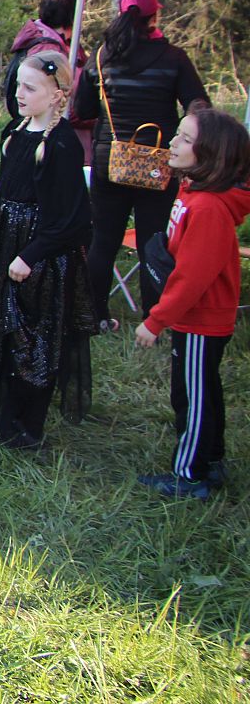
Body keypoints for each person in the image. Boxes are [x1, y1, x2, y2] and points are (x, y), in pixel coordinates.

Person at [0, 52, 98, 450]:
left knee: (32, 337)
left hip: (41, 255)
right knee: (4, 330)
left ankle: (27, 426)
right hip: (9, 244)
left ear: (57, 95)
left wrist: (30, 256)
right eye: (18, 84)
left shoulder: (62, 144)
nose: (18, 93)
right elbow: (3, 201)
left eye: (29, 88)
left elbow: (70, 219)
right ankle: (5, 415)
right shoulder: (15, 134)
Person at [72, 0, 209, 332]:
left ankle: (94, 316)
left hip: (110, 160)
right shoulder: (174, 58)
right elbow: (199, 105)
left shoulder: (102, 58)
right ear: (154, 17)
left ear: (121, 14)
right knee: (154, 241)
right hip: (158, 162)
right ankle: (154, 317)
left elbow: (82, 110)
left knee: (103, 239)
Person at [132, 107, 250, 501]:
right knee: (202, 388)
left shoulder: (208, 208)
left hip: (201, 319)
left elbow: (192, 277)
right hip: (194, 318)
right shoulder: (192, 191)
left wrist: (156, 319)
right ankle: (211, 459)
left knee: (192, 396)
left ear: (211, 155)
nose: (173, 142)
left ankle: (190, 475)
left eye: (185, 138)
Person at [3, 0, 79, 121]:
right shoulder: (47, 50)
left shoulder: (40, 37)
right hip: (44, 125)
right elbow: (49, 97)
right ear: (72, 17)